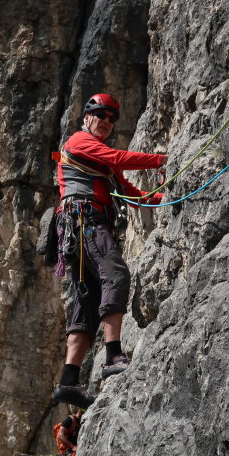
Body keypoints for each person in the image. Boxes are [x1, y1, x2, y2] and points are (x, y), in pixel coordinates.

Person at [52, 93, 168, 409]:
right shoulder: (79, 141)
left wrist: (165, 199)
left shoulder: (100, 161)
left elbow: (130, 193)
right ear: (87, 117)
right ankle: (113, 354)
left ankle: (69, 381)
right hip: (84, 220)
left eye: (111, 118)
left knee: (87, 301)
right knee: (115, 274)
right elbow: (118, 158)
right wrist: (160, 160)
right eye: (100, 114)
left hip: (78, 229)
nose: (105, 121)